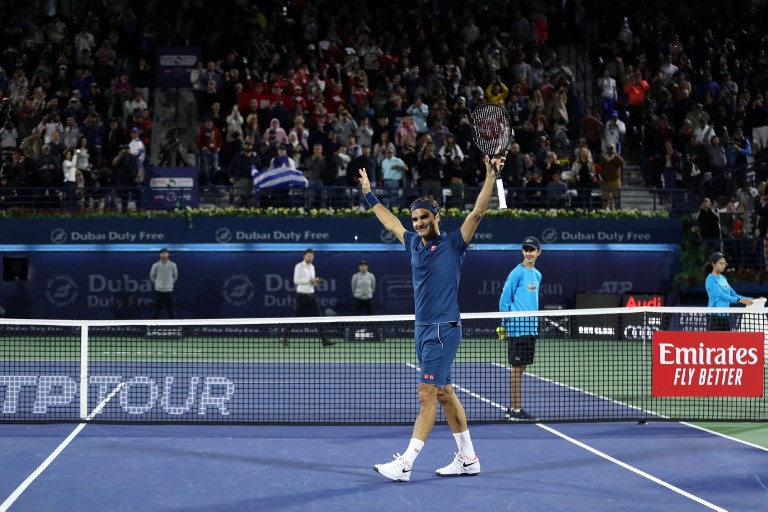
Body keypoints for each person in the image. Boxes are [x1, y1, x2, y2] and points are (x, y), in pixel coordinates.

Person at [360, 149, 506, 481]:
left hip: (443, 328)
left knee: (426, 392)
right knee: (443, 393)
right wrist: (369, 195)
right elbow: (390, 221)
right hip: (423, 328)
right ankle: (468, 458)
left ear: (436, 216)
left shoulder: (455, 243)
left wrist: (490, 176)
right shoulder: (412, 242)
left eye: (424, 217)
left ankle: (406, 463)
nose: (419, 223)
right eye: (415, 219)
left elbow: (479, 212)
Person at [498, 236, 542, 421]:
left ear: (538, 252)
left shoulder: (538, 275)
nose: (529, 253)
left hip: (530, 329)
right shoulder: (517, 272)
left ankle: (513, 408)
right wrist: (504, 324)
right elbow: (504, 299)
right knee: (517, 369)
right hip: (517, 327)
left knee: (521, 367)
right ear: (522, 252)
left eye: (532, 250)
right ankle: (515, 410)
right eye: (526, 250)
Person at [280, 249, 334, 347]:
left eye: (312, 256)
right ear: (304, 256)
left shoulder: (312, 267)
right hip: (301, 296)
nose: (310, 258)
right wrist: (309, 280)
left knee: (319, 318)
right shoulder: (299, 266)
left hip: (312, 296)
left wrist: (315, 282)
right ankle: (284, 337)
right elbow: (296, 281)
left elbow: (311, 282)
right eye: (309, 256)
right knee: (296, 318)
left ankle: (325, 341)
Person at [705, 251, 762, 331]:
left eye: (725, 264)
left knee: (727, 343)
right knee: (715, 343)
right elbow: (721, 296)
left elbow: (734, 295)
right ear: (713, 264)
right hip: (714, 317)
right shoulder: (710, 279)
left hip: (726, 317)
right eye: (721, 263)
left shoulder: (723, 278)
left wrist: (753, 299)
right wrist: (739, 300)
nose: (723, 266)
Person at [149, 248, 178, 319]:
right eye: (162, 253)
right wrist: (157, 284)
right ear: (160, 255)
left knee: (172, 309)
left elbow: (175, 276)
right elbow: (152, 276)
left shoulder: (172, 265)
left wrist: (170, 284)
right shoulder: (156, 265)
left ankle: (176, 325)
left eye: (165, 253)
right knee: (155, 309)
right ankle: (152, 325)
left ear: (168, 254)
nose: (164, 255)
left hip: (169, 290)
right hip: (159, 290)